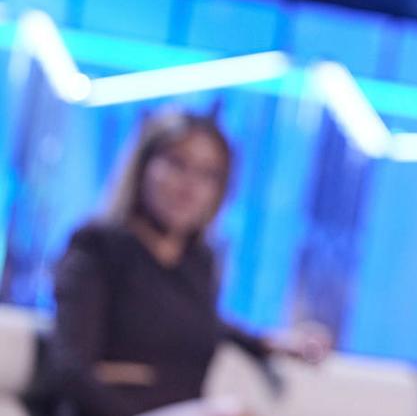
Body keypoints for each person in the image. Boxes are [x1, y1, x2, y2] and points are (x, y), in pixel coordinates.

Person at [46, 109, 329, 416]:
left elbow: (198, 320)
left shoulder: (198, 263)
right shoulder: (98, 247)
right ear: (144, 166)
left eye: (207, 174)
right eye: (177, 164)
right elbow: (70, 368)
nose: (189, 186)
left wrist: (268, 343)